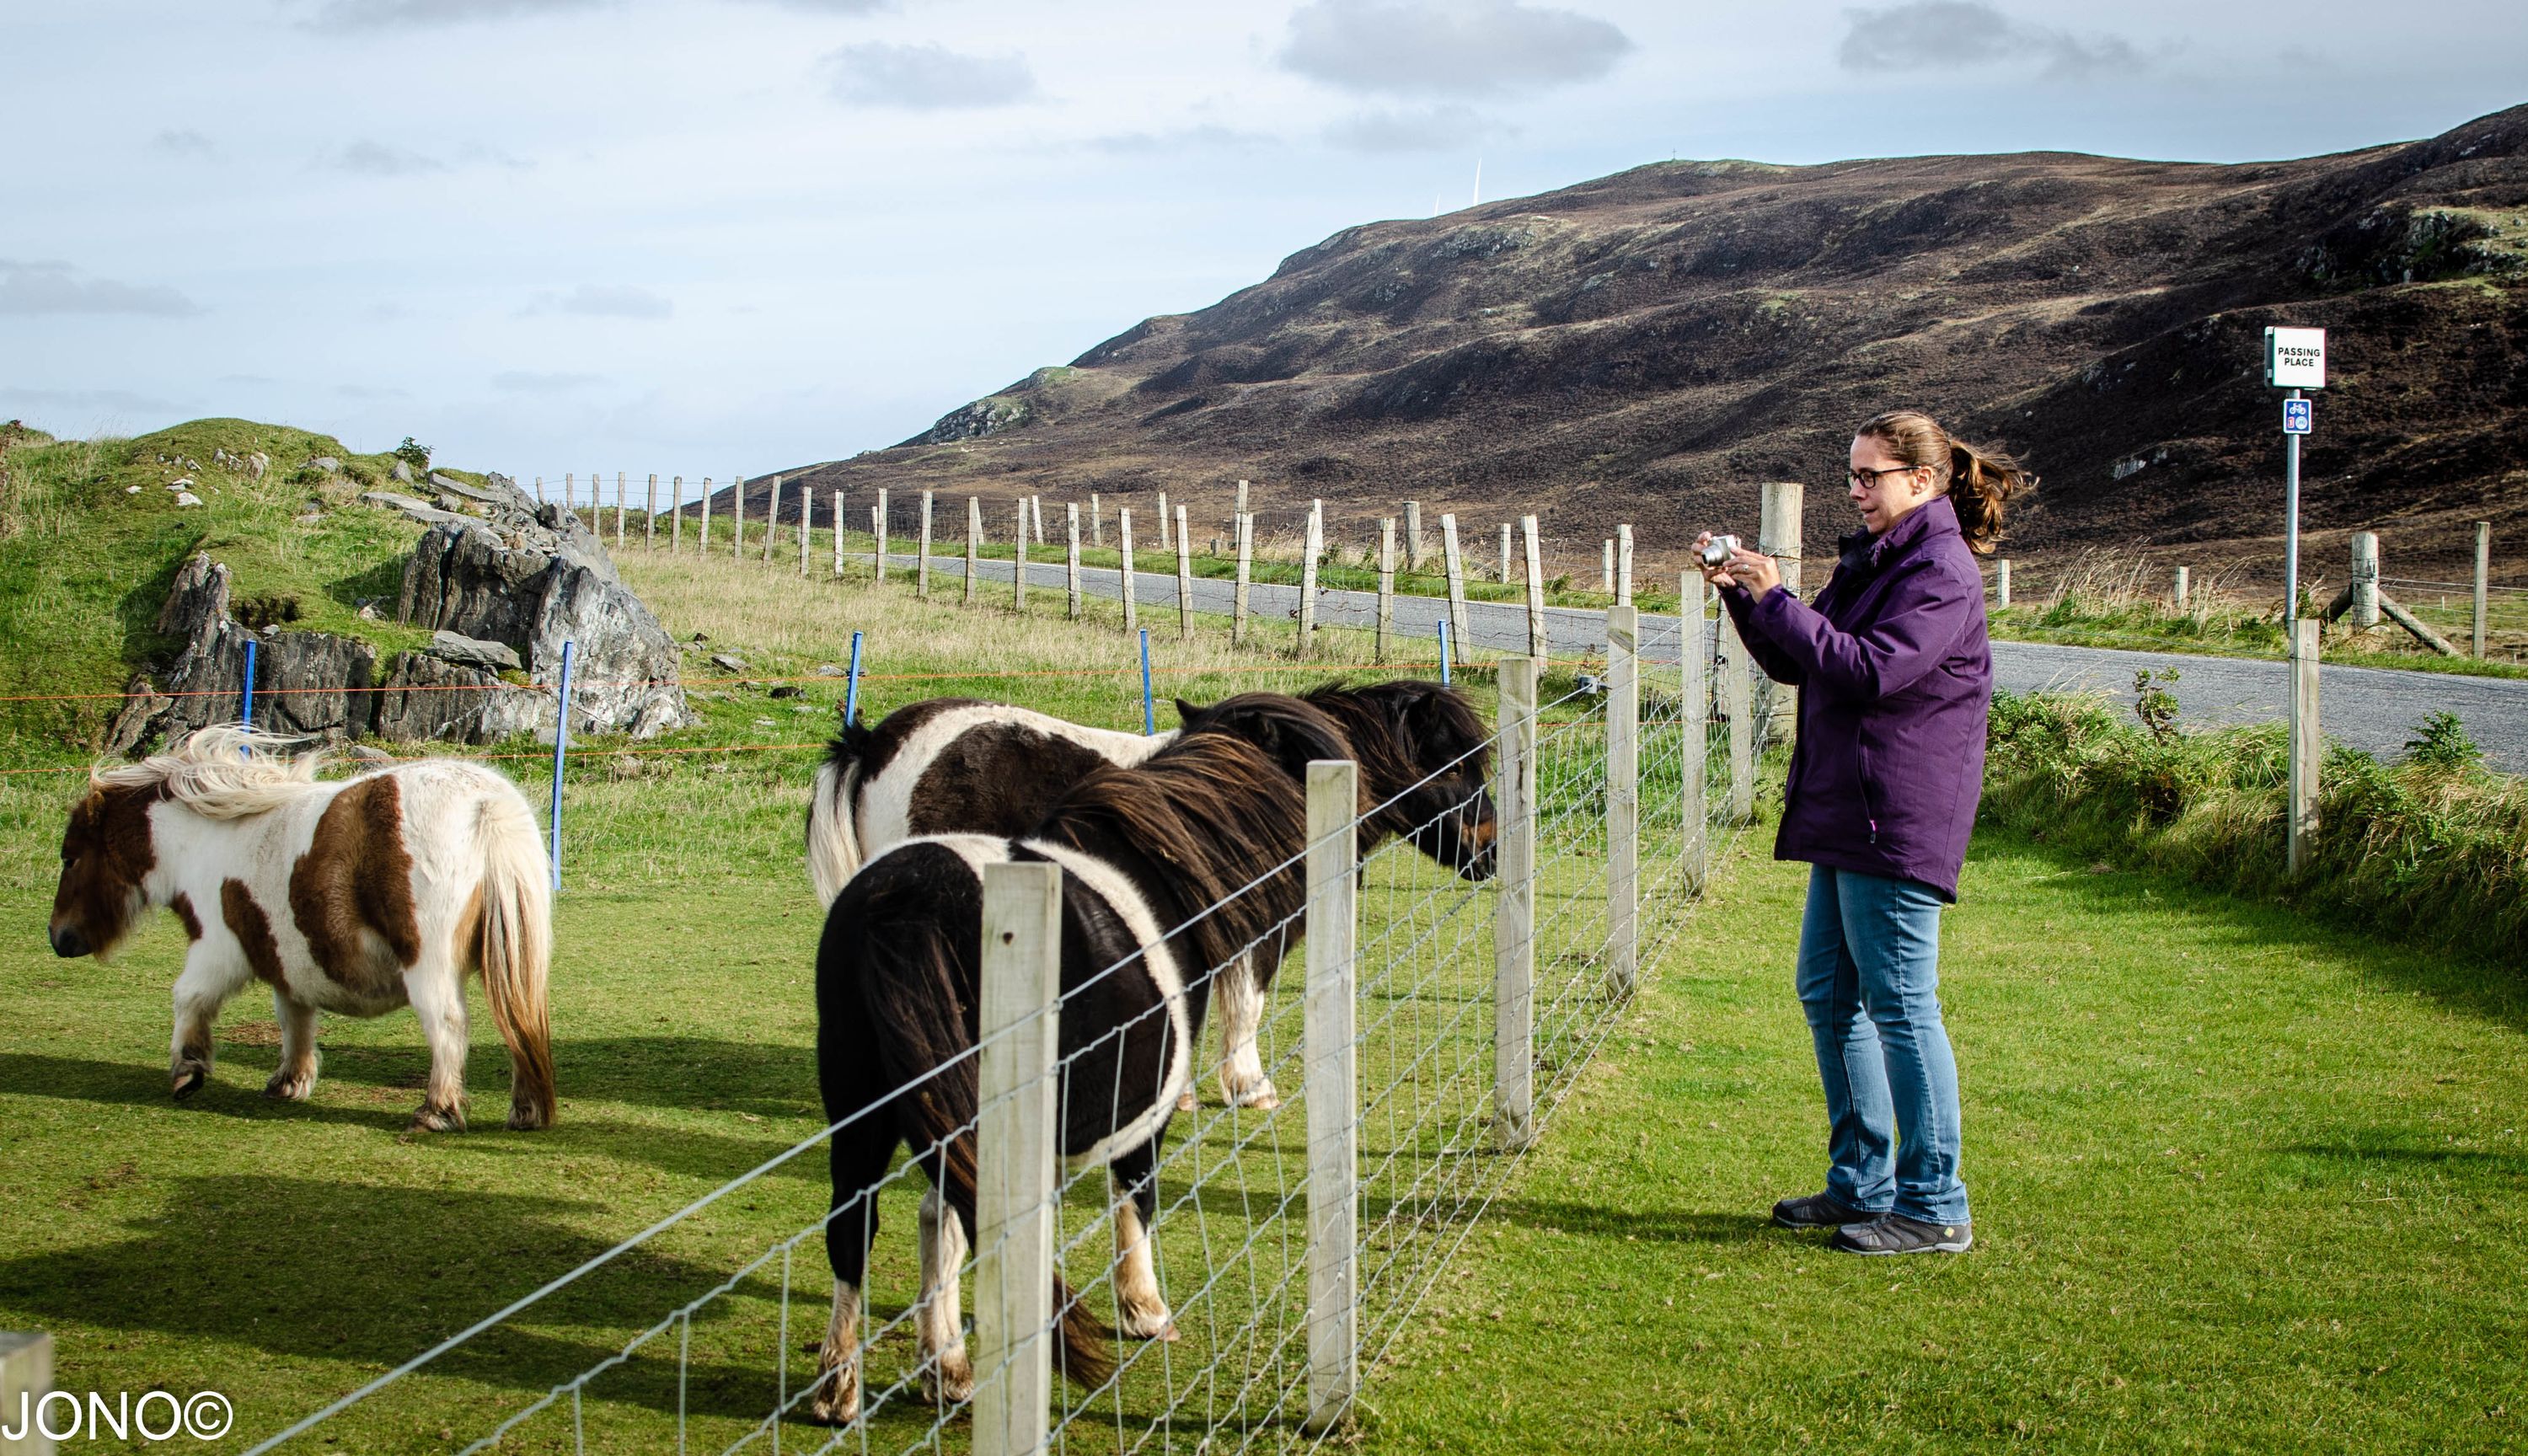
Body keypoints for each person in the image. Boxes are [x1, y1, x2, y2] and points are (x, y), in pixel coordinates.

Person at [1696, 410, 2032, 1255]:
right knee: (1832, 995)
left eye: (1869, 476)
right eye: (1851, 474)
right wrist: (1747, 599)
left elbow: (1871, 670)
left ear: (1921, 481)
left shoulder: (1942, 571)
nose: (1855, 489)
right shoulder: (1878, 558)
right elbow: (1796, 658)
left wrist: (1777, 596)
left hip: (1896, 813)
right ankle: (1863, 1184)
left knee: (1903, 1007)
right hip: (1849, 807)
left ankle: (1933, 1203)